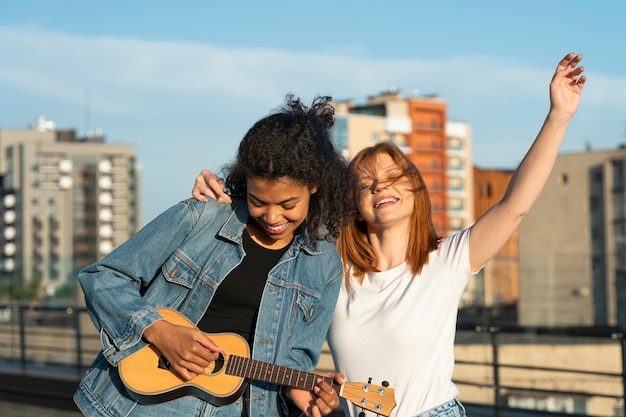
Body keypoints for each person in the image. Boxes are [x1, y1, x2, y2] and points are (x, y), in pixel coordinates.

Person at [192, 53, 587, 417]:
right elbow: (274, 216)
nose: (382, 188)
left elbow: (514, 205)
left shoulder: (447, 260)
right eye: (367, 185)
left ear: (416, 190)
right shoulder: (331, 270)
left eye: (394, 178)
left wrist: (559, 115)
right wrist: (224, 197)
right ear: (355, 206)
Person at [74, 94, 355, 417]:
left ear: (316, 186)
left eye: (288, 205)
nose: (273, 217)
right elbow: (104, 277)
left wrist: (301, 395)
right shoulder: (201, 217)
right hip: (138, 406)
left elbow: (295, 363)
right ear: (244, 182)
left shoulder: (324, 265)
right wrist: (158, 331)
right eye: (258, 201)